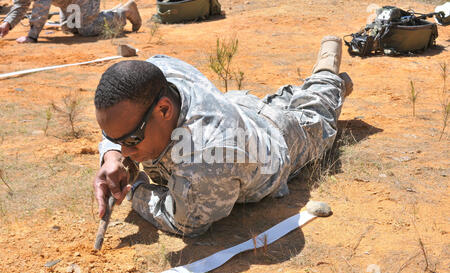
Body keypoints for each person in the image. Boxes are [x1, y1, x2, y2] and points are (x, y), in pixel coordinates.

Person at [93, 36, 353, 237]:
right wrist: (111, 154)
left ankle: (328, 74)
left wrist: (135, 190)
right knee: (285, 103)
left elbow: (184, 221)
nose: (125, 151)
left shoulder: (208, 158)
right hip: (238, 111)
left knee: (318, 110)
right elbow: (121, 128)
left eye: (130, 140)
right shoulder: (154, 73)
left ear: (163, 109)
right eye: (117, 139)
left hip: (279, 141)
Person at [0, 0, 141, 43]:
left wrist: (32, 36)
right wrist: (7, 24)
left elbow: (41, 6)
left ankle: (123, 12)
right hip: (68, 3)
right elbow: (21, 4)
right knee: (70, 29)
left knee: (87, 29)